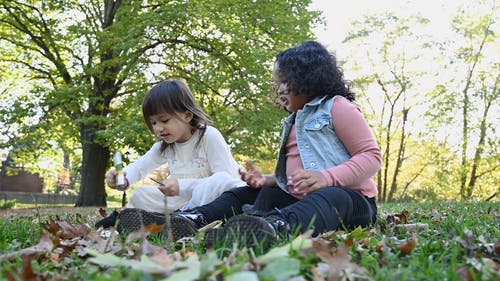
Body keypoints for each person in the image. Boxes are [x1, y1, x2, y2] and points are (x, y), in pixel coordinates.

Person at [170, 41, 382, 250]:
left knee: (331, 196)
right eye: (277, 83)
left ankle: (276, 226)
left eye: (285, 81)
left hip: (352, 203)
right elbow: (296, 175)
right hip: (300, 200)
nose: (279, 89)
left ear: (307, 76)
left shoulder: (337, 107)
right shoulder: (292, 121)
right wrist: (268, 180)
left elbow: (371, 156)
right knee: (243, 194)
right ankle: (192, 219)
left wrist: (326, 177)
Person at [95, 79, 245, 236]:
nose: (158, 128)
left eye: (164, 120)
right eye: (153, 123)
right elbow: (139, 167)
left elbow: (225, 179)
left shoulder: (208, 136)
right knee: (141, 194)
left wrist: (182, 186)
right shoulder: (164, 146)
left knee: (220, 180)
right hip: (182, 203)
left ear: (187, 115)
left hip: (215, 200)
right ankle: (166, 222)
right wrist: (123, 178)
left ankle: (182, 220)